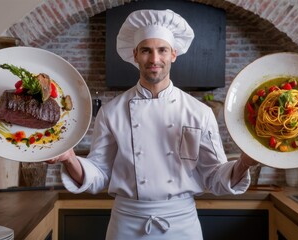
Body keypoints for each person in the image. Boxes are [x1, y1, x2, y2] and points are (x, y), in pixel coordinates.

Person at [48, 9, 258, 240]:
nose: (154, 59)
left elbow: (215, 178)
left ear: (174, 54)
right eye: (146, 50)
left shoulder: (200, 112)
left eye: (162, 50)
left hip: (182, 225)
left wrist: (244, 163)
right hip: (127, 224)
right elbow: (99, 176)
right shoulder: (111, 112)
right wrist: (69, 158)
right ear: (135, 54)